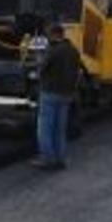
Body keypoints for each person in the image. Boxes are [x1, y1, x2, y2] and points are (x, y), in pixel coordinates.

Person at [33, 25, 81, 170]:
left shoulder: (53, 51)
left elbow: (42, 69)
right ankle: (60, 158)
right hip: (66, 94)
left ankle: (48, 159)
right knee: (60, 129)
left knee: (45, 128)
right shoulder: (74, 51)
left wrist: (38, 58)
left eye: (48, 35)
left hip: (50, 92)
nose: (47, 38)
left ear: (54, 34)